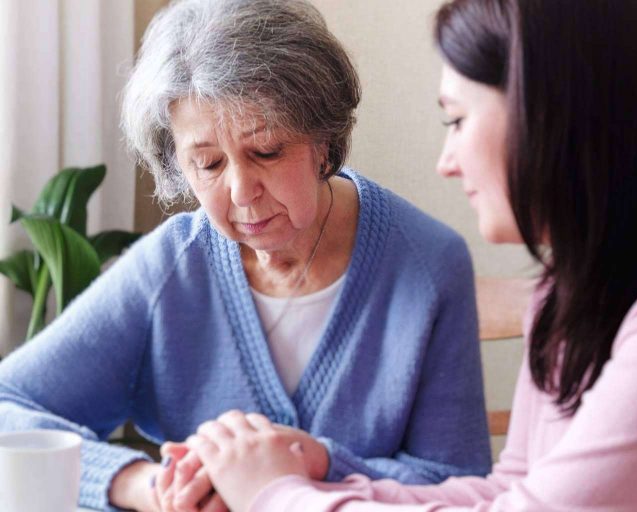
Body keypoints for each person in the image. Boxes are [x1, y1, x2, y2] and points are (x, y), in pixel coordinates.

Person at [167, 0, 637, 511]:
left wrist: (275, 495)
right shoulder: (581, 280)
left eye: (456, 120)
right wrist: (316, 469)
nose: (446, 162)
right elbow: (513, 488)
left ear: (549, 113)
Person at [0, 0, 493, 510]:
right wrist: (148, 485)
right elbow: (7, 406)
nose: (240, 191)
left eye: (266, 152)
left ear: (323, 140)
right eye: (208, 164)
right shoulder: (172, 267)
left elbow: (458, 483)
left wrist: (313, 463)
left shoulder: (429, 264)